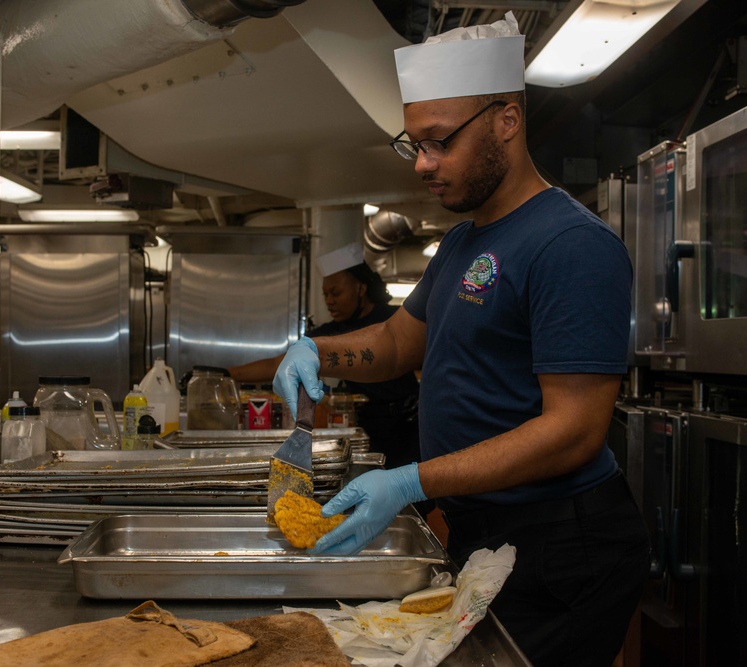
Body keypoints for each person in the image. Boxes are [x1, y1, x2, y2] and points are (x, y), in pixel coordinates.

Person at [271, 14, 648, 667]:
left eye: (439, 141)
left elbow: (575, 429)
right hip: (483, 529)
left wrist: (409, 481)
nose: (422, 163)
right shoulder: (461, 243)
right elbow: (395, 345)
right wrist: (312, 350)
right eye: (412, 143)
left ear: (506, 119)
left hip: (559, 543)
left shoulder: (570, 245)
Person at [229, 244, 430, 490]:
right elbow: (276, 363)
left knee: (413, 496)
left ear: (361, 288)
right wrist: (228, 374)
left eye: (335, 292)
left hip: (409, 425)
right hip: (366, 426)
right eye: (325, 295)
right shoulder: (329, 333)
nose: (329, 301)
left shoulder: (395, 320)